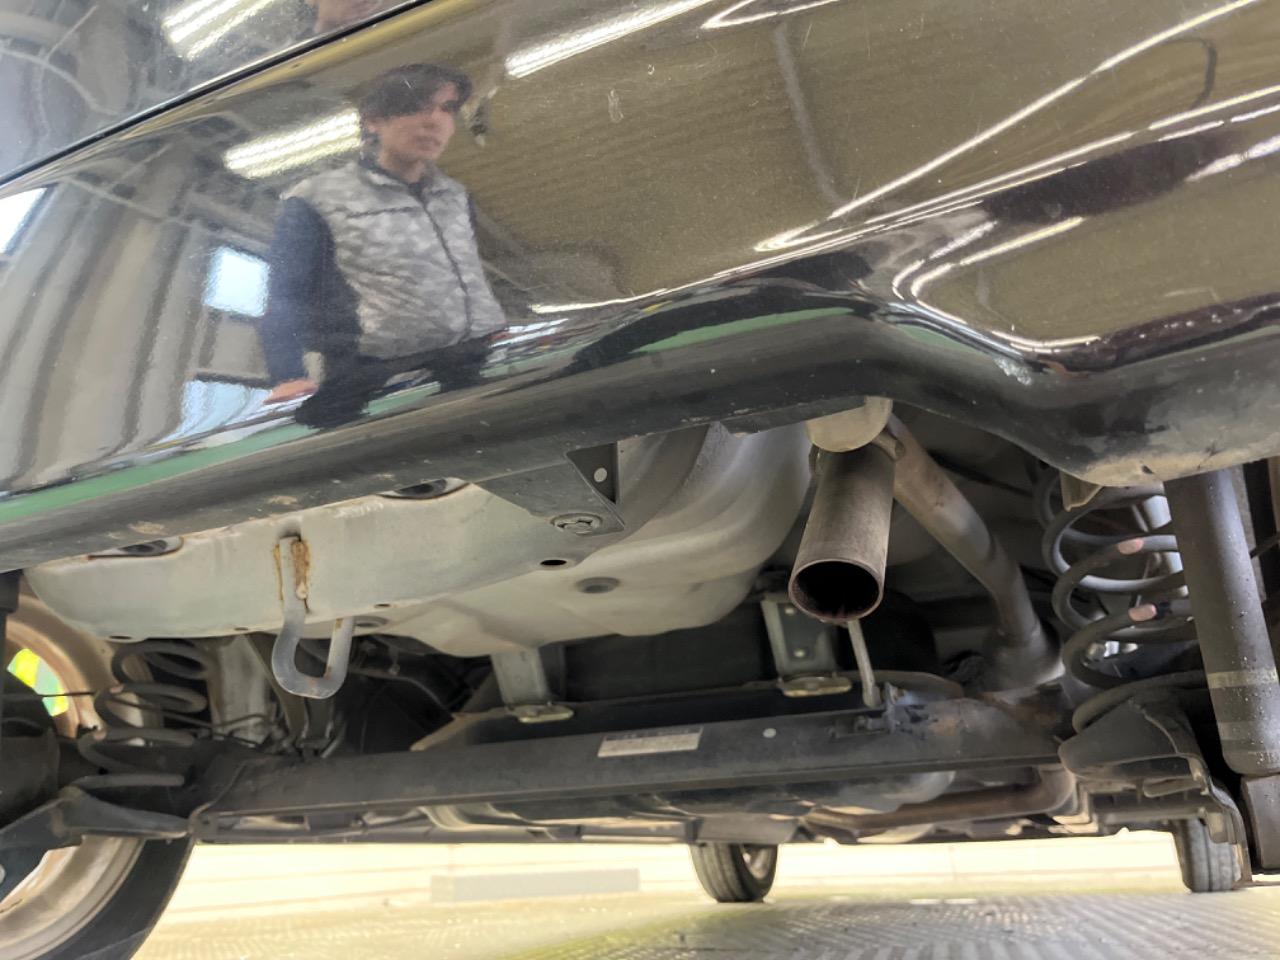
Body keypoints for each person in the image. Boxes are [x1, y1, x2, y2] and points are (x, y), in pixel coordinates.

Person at [259, 63, 506, 419]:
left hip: (470, 364)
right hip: (378, 383)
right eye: (416, 106)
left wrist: (491, 327)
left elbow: (471, 272)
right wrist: (287, 376)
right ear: (373, 120)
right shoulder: (318, 198)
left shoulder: (454, 195)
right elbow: (286, 295)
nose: (435, 121)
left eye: (447, 109)